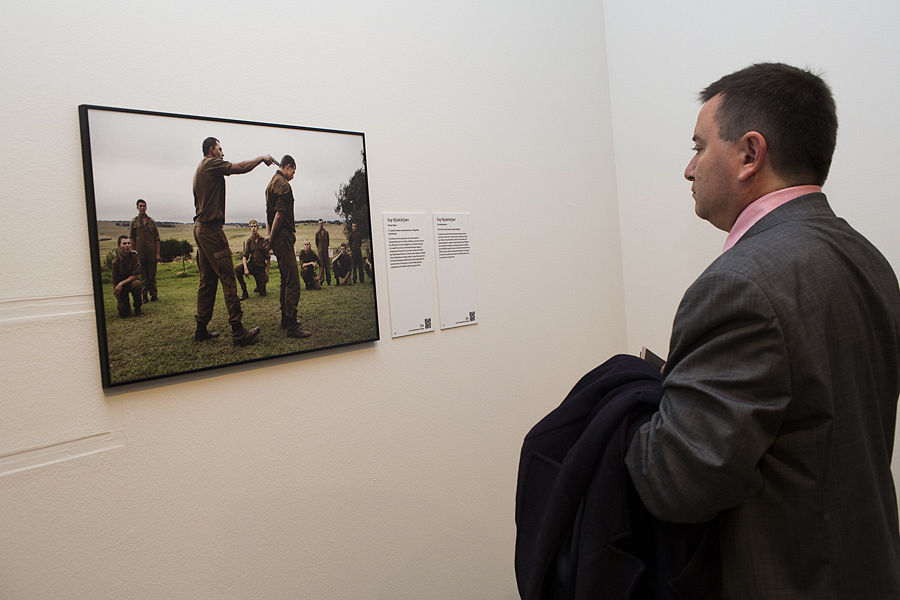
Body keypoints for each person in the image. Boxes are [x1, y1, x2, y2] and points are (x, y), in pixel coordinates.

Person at [624, 63, 900, 598]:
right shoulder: (865, 256)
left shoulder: (739, 284)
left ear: (750, 154)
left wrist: (637, 399)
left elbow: (675, 484)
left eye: (700, 146)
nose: (688, 167)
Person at [192, 136, 271, 346]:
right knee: (228, 278)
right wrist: (262, 158)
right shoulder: (211, 164)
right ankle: (238, 331)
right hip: (211, 231)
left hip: (200, 230)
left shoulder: (199, 169)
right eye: (220, 149)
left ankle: (201, 328)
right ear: (211, 150)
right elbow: (241, 167)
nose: (223, 153)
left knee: (207, 281)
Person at [264, 155, 311, 339]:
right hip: (282, 238)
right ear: (288, 167)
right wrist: (273, 236)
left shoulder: (270, 184)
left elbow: (268, 214)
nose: (293, 176)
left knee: (285, 279)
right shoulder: (283, 185)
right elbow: (279, 215)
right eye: (293, 171)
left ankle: (285, 319)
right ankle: (291, 326)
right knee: (293, 281)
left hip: (276, 238)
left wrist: (269, 237)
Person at [129, 198, 160, 302]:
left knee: (152, 275)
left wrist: (157, 253)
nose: (142, 208)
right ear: (137, 208)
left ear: (146, 207)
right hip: (139, 253)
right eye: (140, 206)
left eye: (144, 206)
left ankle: (154, 296)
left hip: (151, 253)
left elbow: (157, 238)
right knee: (143, 276)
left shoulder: (152, 222)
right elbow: (132, 238)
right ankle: (144, 296)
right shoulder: (134, 222)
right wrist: (132, 252)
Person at [233, 219, 269, 299]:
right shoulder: (249, 241)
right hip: (252, 265)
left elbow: (268, 258)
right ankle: (245, 292)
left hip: (260, 268)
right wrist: (245, 268)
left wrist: (267, 273)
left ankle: (259, 285)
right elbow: (245, 256)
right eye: (251, 226)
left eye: (255, 226)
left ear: (258, 227)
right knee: (237, 268)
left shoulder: (263, 240)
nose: (253, 228)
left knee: (263, 294)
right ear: (249, 228)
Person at [110, 235, 144, 318]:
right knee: (124, 314)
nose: (127, 246)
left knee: (137, 284)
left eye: (129, 243)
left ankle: (137, 308)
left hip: (131, 283)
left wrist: (122, 283)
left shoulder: (134, 256)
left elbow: (136, 275)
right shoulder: (115, 262)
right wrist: (119, 301)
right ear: (119, 246)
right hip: (121, 288)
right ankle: (125, 306)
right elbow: (115, 283)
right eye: (124, 243)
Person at [315, 218, 331, 285]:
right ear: (318, 224)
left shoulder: (326, 232)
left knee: (327, 267)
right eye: (319, 223)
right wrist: (319, 250)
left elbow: (328, 243)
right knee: (321, 267)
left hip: (326, 253)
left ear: (323, 224)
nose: (320, 225)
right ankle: (321, 281)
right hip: (320, 253)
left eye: (321, 223)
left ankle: (328, 281)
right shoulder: (317, 233)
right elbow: (316, 243)